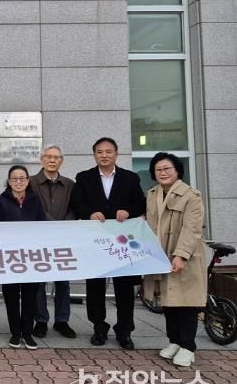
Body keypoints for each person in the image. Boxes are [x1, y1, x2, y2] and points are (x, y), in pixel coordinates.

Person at [72, 137, 146, 350]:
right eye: (100, 152)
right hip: (96, 241)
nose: (104, 155)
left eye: (108, 151)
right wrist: (89, 213)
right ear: (94, 154)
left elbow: (141, 203)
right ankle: (99, 328)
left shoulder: (130, 178)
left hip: (122, 243)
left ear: (116, 153)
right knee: (95, 287)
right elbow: (77, 204)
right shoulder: (84, 177)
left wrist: (128, 211)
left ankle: (125, 331)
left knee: (124, 288)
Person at [145, 152, 206, 367]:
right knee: (169, 302)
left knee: (186, 302)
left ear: (177, 170)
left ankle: (188, 346)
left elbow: (192, 229)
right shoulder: (152, 193)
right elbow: (148, 221)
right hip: (161, 255)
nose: (162, 173)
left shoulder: (191, 195)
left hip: (183, 257)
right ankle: (174, 341)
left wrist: (181, 255)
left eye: (167, 169)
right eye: (158, 169)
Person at [0, 165, 46, 349]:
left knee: (30, 296)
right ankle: (15, 333)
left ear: (28, 181)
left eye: (22, 178)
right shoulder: (1, 201)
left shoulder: (35, 201)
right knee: (11, 296)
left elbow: (42, 226)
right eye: (14, 178)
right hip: (9, 257)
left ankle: (27, 333)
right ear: (8, 181)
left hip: (31, 256)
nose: (18, 182)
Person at [29, 145, 77, 339]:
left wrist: (64, 225)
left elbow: (74, 208)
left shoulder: (69, 184)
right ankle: (41, 320)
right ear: (41, 159)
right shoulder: (31, 182)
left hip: (62, 239)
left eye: (56, 157)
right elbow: (33, 207)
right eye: (48, 156)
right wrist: (53, 224)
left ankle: (62, 320)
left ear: (61, 161)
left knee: (63, 282)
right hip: (38, 239)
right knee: (39, 282)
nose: (52, 160)